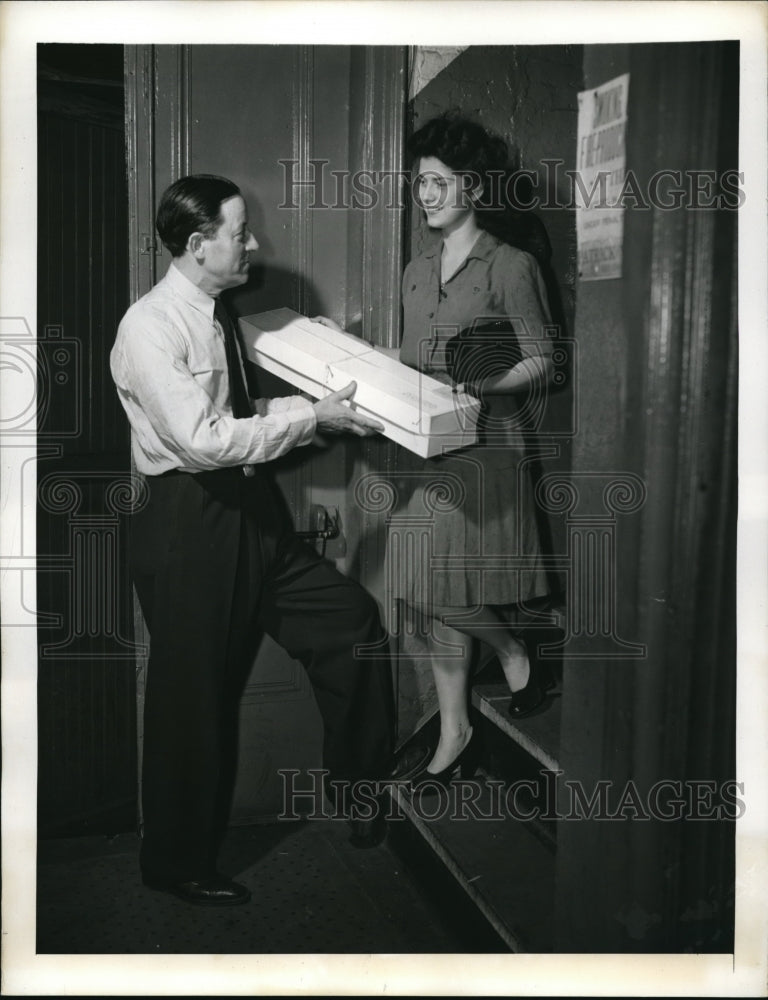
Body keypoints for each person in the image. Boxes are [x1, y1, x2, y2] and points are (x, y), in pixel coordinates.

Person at [110, 174, 395, 907]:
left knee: (349, 622)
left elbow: (239, 408)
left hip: (249, 512)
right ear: (200, 245)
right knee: (191, 697)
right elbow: (203, 440)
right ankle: (175, 863)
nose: (254, 244)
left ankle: (361, 792)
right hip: (188, 522)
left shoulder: (216, 311)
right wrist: (306, 420)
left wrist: (321, 412)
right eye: (241, 233)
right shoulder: (150, 326)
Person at [389, 115, 555, 786]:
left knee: (437, 587)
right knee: (432, 587)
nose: (423, 194)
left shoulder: (511, 266)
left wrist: (486, 380)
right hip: (427, 446)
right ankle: (456, 726)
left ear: (471, 186)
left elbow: (545, 359)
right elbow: (409, 362)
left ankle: (512, 651)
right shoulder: (415, 270)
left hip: (486, 446)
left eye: (435, 182)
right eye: (418, 182)